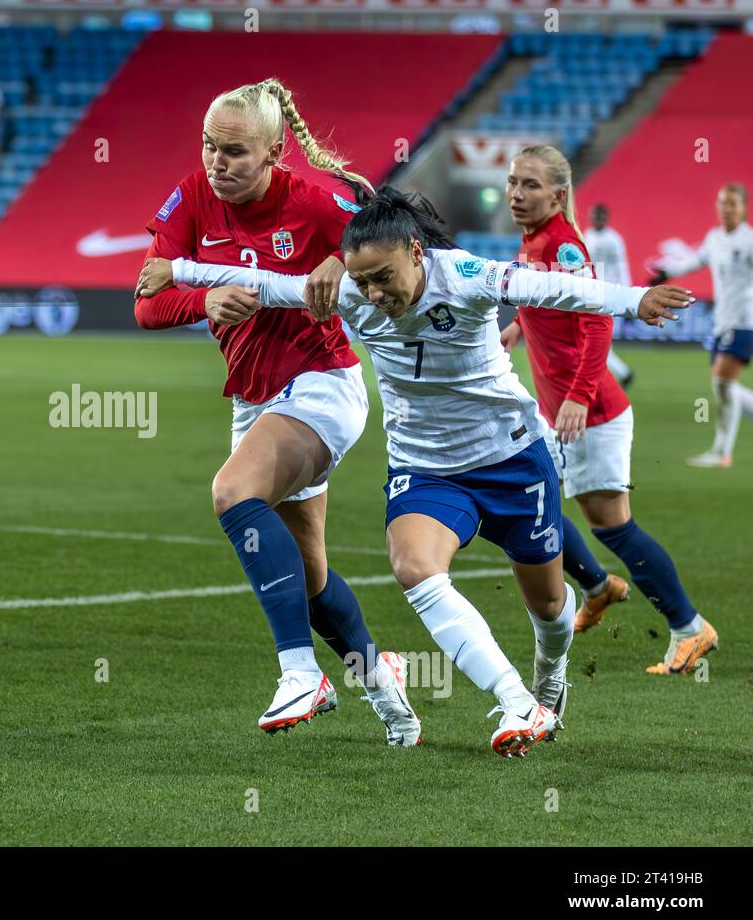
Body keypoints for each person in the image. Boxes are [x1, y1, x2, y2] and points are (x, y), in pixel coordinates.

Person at [148, 187, 693, 755]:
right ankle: (515, 701)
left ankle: (549, 672)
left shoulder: (463, 273)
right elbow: (266, 285)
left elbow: (551, 287)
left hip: (509, 458)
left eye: (384, 277)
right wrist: (178, 270)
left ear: (415, 251)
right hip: (425, 467)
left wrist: (635, 300)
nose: (375, 295)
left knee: (551, 608)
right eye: (363, 283)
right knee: (414, 568)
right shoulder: (355, 295)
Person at [134, 78, 421, 747]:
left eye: (233, 151)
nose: (216, 162)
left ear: (273, 151)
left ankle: (301, 673)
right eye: (208, 146)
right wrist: (200, 302)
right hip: (256, 399)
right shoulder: (193, 198)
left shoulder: (313, 202)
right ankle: (384, 687)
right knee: (311, 574)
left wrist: (336, 263)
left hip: (323, 385)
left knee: (232, 490)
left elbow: (402, 252)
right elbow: (146, 302)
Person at [501, 146, 718, 675]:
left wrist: (577, 393)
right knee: (533, 501)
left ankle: (690, 628)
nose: (516, 193)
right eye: (512, 182)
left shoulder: (565, 247)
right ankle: (598, 588)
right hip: (558, 410)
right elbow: (548, 304)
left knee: (610, 524)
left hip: (591, 411)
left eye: (530, 185)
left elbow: (597, 321)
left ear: (558, 195)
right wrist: (517, 327)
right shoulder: (533, 241)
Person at [651, 183, 753, 468]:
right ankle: (721, 450)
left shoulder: (749, 241)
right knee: (723, 386)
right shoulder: (714, 237)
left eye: (732, 204)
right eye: (722, 203)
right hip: (722, 321)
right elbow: (696, 260)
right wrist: (667, 272)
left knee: (723, 381)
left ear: (743, 208)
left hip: (745, 321)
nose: (726, 209)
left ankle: (723, 452)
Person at [582, 203, 634, 386]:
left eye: (599, 216)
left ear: (606, 218)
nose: (596, 219)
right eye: (593, 216)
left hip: (605, 294)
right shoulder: (586, 235)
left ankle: (612, 376)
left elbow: (622, 267)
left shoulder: (613, 239)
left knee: (594, 339)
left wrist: (627, 297)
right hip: (590, 293)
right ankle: (622, 373)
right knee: (594, 340)